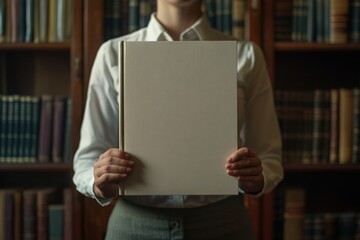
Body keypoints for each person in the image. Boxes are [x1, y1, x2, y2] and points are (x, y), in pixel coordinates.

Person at [73, 0, 284, 239]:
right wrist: (100, 180)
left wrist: (255, 178)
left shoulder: (246, 55)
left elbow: (269, 156)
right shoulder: (112, 53)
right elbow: (87, 159)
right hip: (134, 226)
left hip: (224, 225)